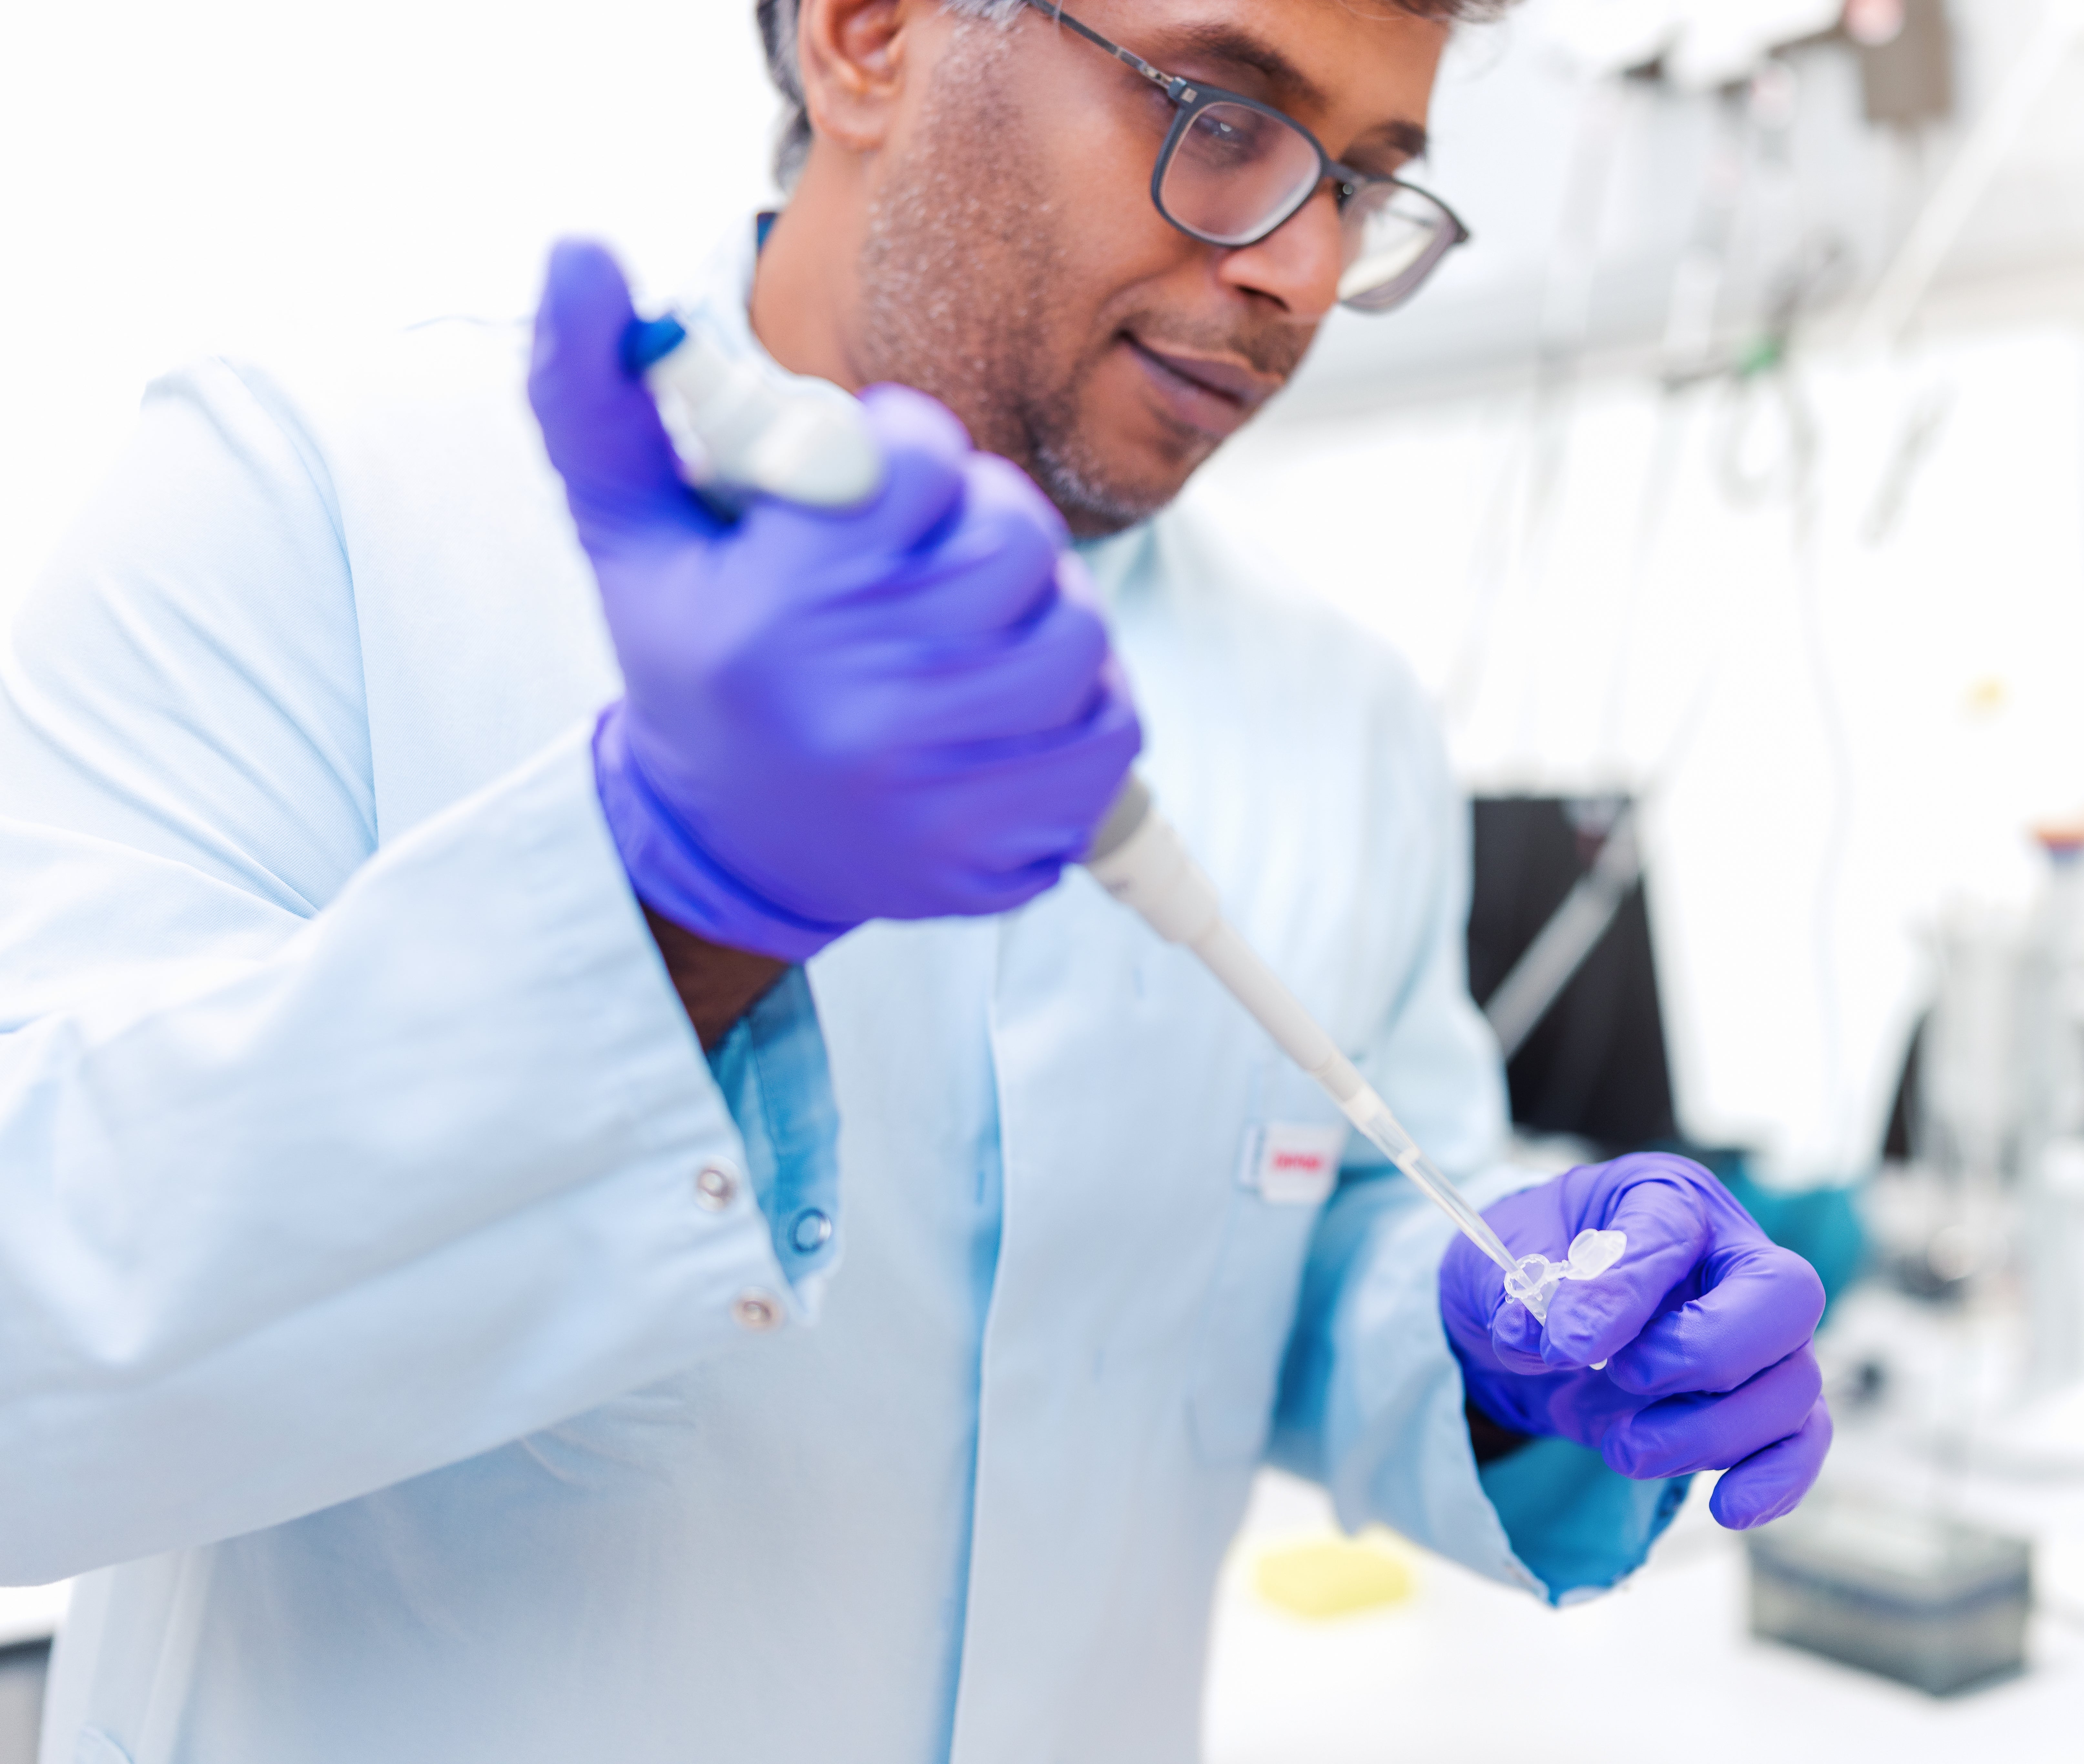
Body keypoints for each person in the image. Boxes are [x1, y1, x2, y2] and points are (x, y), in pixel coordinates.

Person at [0, 1, 1832, 1757]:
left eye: (1359, 179)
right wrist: (670, 913)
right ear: (868, 30)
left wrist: (1495, 1338)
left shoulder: (1334, 714)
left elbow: (1329, 1219)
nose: (1298, 270)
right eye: (1223, 118)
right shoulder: (318, 502)